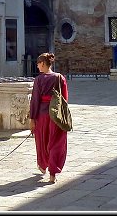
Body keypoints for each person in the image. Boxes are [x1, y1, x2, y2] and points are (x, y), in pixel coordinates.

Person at [28, 52, 68, 183]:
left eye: (38, 63)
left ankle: (43, 165)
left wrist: (32, 118)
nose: (37, 66)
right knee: (56, 143)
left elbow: (35, 100)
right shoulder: (60, 78)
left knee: (42, 142)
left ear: (43, 63)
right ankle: (52, 174)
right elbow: (64, 99)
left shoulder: (39, 80)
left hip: (42, 115)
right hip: (56, 116)